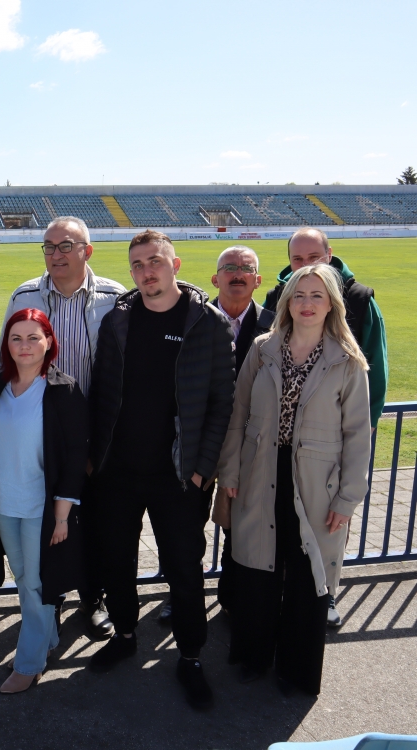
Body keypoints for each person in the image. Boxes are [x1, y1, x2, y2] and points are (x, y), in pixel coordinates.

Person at [88, 230, 234, 711]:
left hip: (177, 475)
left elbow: (221, 403)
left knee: (184, 570)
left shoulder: (206, 322)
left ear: (174, 264)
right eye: (137, 265)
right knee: (116, 561)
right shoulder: (119, 321)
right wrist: (96, 458)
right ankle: (126, 632)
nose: (146, 271)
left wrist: (199, 471)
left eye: (154, 261)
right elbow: (103, 394)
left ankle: (190, 656)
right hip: (118, 472)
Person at [218, 263, 371, 696]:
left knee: (307, 578)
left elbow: (358, 435)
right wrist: (229, 471)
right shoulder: (263, 348)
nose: (306, 304)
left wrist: (347, 497)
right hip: (260, 472)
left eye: (316, 296)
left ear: (331, 305)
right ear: (287, 301)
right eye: (299, 295)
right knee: (258, 573)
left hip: (316, 485)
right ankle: (253, 657)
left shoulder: (347, 359)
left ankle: (297, 670)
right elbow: (238, 414)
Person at [1, 216, 126, 641]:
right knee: (47, 528)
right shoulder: (25, 294)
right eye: (49, 247)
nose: (56, 254)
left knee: (94, 523)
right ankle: (50, 604)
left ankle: (93, 599)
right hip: (46, 441)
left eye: (66, 246)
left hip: (101, 436)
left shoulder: (114, 297)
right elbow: (9, 360)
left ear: (87, 251)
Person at [262, 227, 387, 626]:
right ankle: (281, 592)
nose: (306, 266)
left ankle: (326, 595)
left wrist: (359, 441)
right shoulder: (276, 297)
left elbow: (375, 376)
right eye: (297, 260)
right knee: (282, 527)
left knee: (328, 526)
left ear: (329, 255)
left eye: (314, 257)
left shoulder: (361, 299)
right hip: (279, 449)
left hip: (331, 443)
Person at [159, 246, 275, 625]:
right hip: (197, 445)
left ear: (258, 280)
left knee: (243, 527)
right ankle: (181, 596)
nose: (237, 274)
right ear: (215, 278)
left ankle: (232, 597)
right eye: (229, 267)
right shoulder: (190, 319)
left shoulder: (278, 326)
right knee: (186, 530)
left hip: (253, 449)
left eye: (246, 268)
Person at [0, 308, 88, 693]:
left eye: (33, 337)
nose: (25, 346)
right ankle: (48, 637)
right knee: (23, 577)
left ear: (49, 342)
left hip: (42, 509)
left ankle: (29, 662)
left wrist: (62, 514)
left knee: (38, 582)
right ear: (7, 344)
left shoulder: (62, 389)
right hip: (4, 503)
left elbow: (75, 453)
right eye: (16, 338)